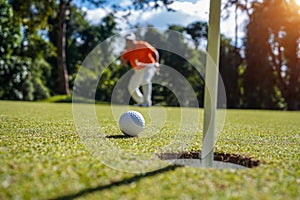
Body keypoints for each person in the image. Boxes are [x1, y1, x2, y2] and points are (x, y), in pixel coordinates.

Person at [120, 32, 160, 107]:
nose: (129, 42)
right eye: (127, 40)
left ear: (134, 39)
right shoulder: (127, 51)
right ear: (125, 41)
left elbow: (155, 52)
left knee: (145, 81)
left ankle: (147, 102)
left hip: (149, 66)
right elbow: (123, 64)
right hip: (138, 70)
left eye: (130, 40)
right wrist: (122, 58)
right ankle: (141, 102)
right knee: (131, 87)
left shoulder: (142, 44)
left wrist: (157, 63)